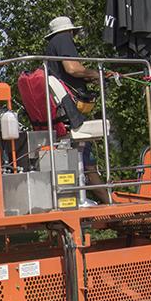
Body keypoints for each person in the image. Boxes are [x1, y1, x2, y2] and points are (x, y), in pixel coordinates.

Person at [42, 16, 105, 192]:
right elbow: (72, 68)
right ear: (70, 31)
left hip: (63, 112)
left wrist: (88, 76)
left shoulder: (52, 47)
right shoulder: (63, 39)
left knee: (85, 161)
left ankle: (101, 197)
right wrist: (97, 74)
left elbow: (68, 74)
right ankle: (109, 202)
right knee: (89, 163)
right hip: (72, 115)